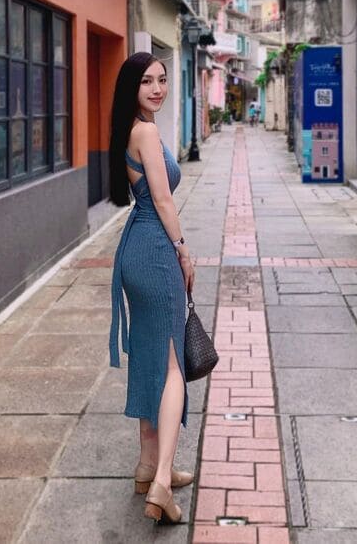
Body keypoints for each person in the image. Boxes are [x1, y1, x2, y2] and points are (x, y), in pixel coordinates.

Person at [108, 52, 195, 525]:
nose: (158, 88)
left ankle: (148, 465)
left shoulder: (131, 129)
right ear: (132, 88)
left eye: (162, 79)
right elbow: (162, 199)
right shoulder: (145, 132)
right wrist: (183, 251)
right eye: (147, 81)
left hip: (135, 251)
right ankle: (162, 481)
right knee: (172, 364)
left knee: (147, 355)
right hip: (156, 250)